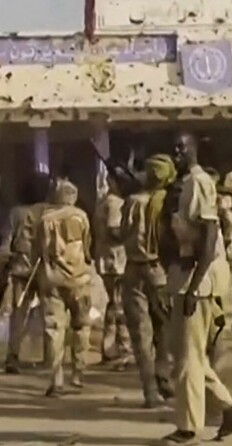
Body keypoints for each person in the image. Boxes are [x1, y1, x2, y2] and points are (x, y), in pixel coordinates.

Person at [160, 132, 232, 446]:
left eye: (182, 147)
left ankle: (188, 429)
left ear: (194, 150)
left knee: (186, 362)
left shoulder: (198, 184)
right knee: (189, 355)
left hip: (196, 281)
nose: (177, 152)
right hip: (185, 277)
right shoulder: (182, 187)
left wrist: (195, 287)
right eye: (174, 148)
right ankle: (230, 408)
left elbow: (209, 237)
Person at [121, 154, 176, 407]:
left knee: (140, 334)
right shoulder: (168, 201)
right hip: (160, 270)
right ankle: (165, 378)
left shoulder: (131, 201)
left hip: (134, 269)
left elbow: (123, 234)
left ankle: (150, 391)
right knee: (164, 329)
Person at [36, 178, 93, 396]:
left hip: (52, 278)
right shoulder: (82, 217)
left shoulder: (45, 219)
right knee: (82, 326)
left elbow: (40, 250)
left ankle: (56, 380)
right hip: (79, 278)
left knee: (54, 329)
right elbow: (88, 247)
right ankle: (78, 374)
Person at [3, 172, 53, 374]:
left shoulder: (15, 213)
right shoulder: (51, 212)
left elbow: (6, 243)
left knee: (19, 314)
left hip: (20, 269)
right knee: (49, 313)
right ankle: (50, 357)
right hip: (46, 270)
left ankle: (13, 357)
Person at [93, 177, 131, 366]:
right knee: (120, 305)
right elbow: (114, 230)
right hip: (116, 261)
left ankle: (109, 347)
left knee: (113, 304)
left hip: (106, 259)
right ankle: (123, 349)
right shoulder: (115, 203)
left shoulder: (103, 201)